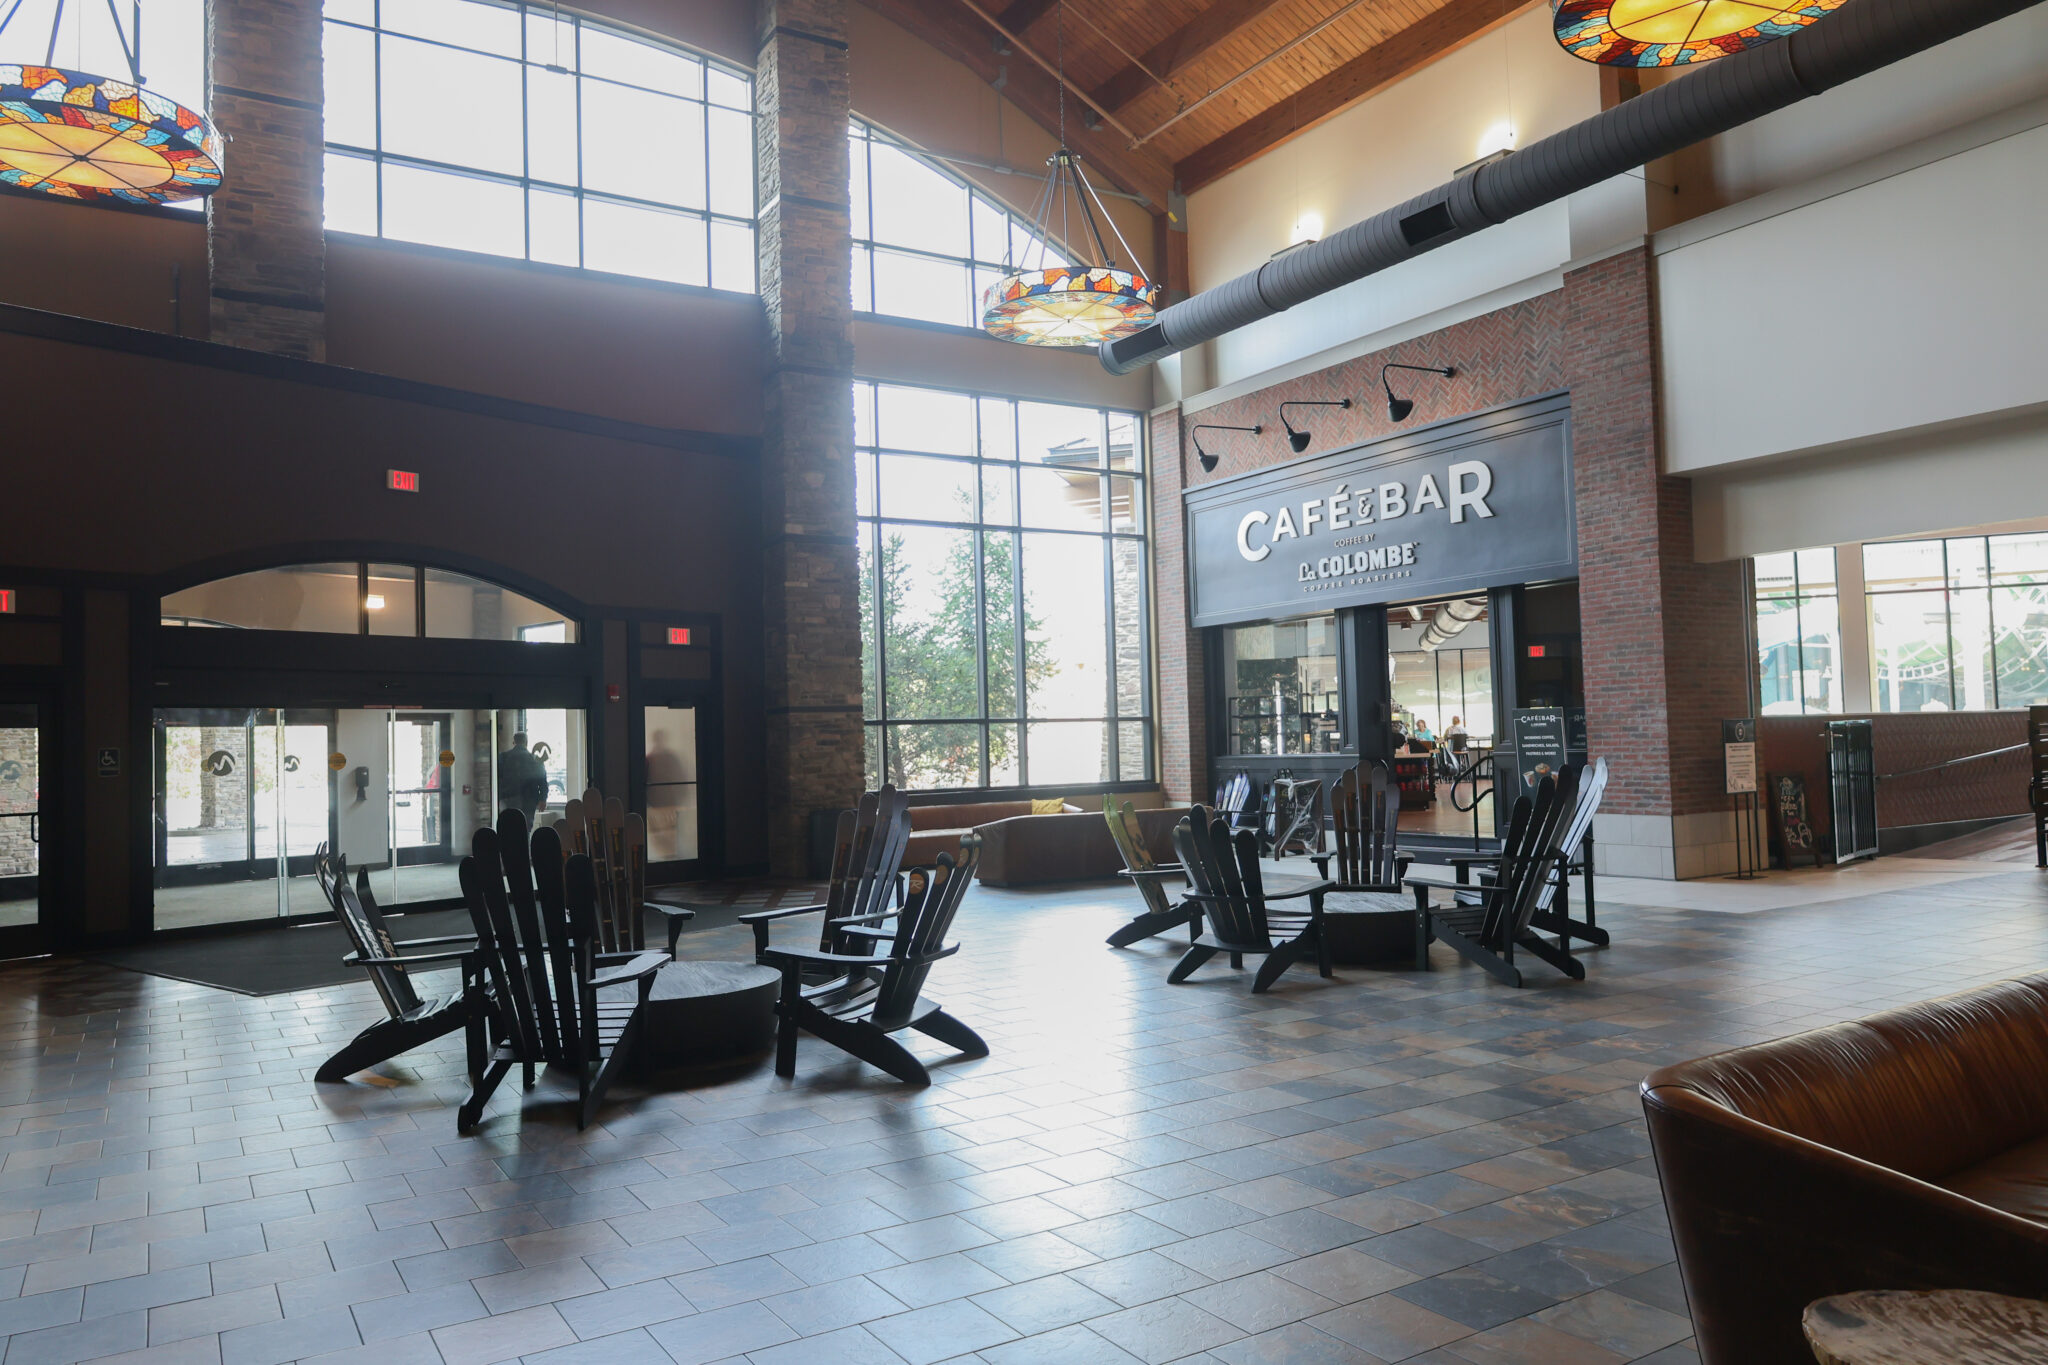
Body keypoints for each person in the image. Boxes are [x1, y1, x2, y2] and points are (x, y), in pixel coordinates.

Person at [498, 731, 549, 826]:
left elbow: (499, 779)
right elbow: (542, 781)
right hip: (529, 800)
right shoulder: (535, 759)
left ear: (514, 742)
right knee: (526, 828)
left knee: (509, 828)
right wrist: (543, 799)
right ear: (526, 742)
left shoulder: (503, 757)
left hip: (508, 799)